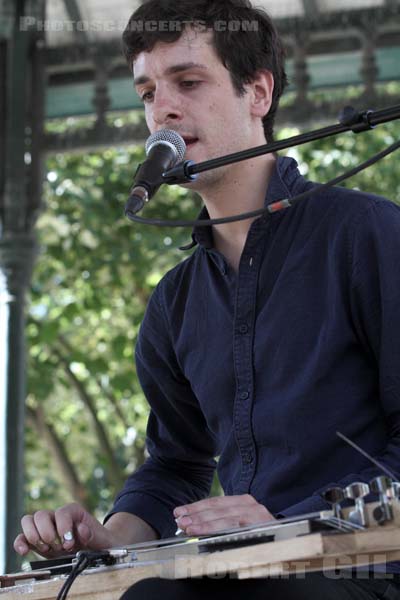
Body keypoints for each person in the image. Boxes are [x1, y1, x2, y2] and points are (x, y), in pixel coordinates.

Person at [15, 1, 400, 598]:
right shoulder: (174, 303)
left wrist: (297, 521)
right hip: (248, 578)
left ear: (259, 93)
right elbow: (175, 465)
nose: (161, 109)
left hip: (366, 571)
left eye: (188, 82)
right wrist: (109, 538)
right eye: (147, 93)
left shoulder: (367, 234)